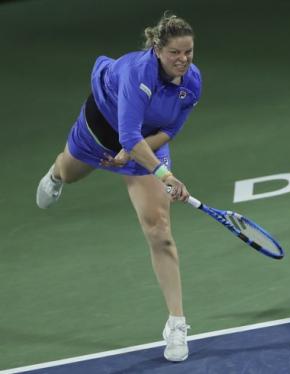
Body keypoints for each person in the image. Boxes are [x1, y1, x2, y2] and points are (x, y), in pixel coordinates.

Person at [35, 12, 201, 362]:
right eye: (175, 53)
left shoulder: (192, 81)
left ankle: (176, 323)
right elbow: (126, 134)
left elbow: (169, 131)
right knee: (70, 172)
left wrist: (142, 159)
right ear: (158, 49)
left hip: (147, 138)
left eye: (188, 52)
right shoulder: (136, 73)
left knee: (159, 230)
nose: (183, 60)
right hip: (102, 126)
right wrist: (165, 176)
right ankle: (55, 172)